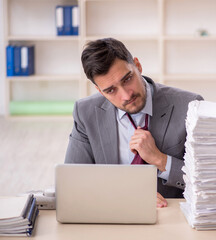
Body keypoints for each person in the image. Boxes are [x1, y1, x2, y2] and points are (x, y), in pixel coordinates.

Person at [64, 38, 203, 208]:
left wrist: (161, 160)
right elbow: (74, 183)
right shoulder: (85, 112)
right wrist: (126, 196)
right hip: (112, 215)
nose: (126, 95)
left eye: (127, 79)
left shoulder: (190, 106)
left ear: (137, 65)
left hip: (170, 216)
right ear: (100, 91)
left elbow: (208, 179)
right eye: (110, 90)